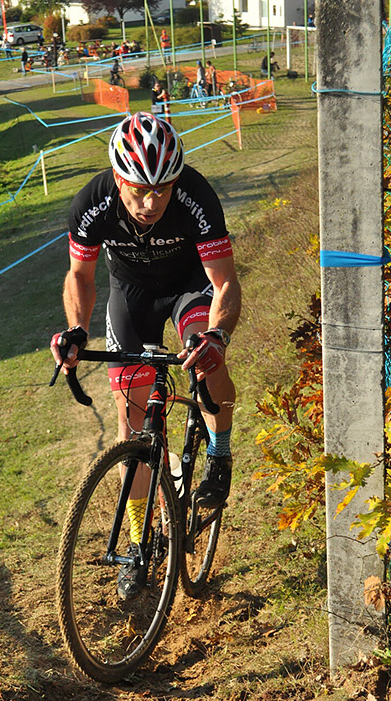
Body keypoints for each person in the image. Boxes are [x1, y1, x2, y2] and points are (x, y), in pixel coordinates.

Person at [50, 112, 241, 600]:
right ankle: (138, 542)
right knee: (130, 423)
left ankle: (219, 453)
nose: (152, 202)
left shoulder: (197, 198)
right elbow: (80, 278)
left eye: (163, 189)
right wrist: (75, 329)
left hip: (189, 289)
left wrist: (215, 337)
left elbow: (224, 284)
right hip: (131, 294)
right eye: (140, 190)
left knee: (205, 358)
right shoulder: (92, 204)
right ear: (118, 179)